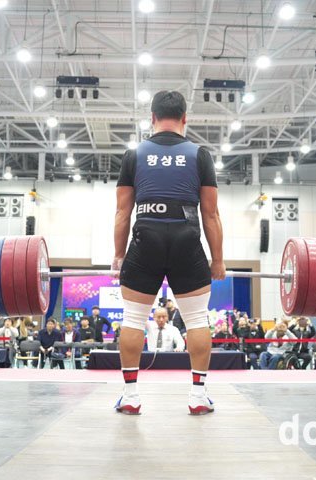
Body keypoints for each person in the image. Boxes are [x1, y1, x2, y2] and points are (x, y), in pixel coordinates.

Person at [113, 90, 222, 415]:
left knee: (133, 320)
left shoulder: (134, 155)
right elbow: (211, 214)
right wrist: (218, 260)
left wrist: (119, 256)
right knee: (197, 320)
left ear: (152, 118)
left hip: (146, 236)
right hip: (187, 238)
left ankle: (130, 396)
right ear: (185, 118)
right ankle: (198, 397)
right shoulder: (200, 154)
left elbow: (122, 213)